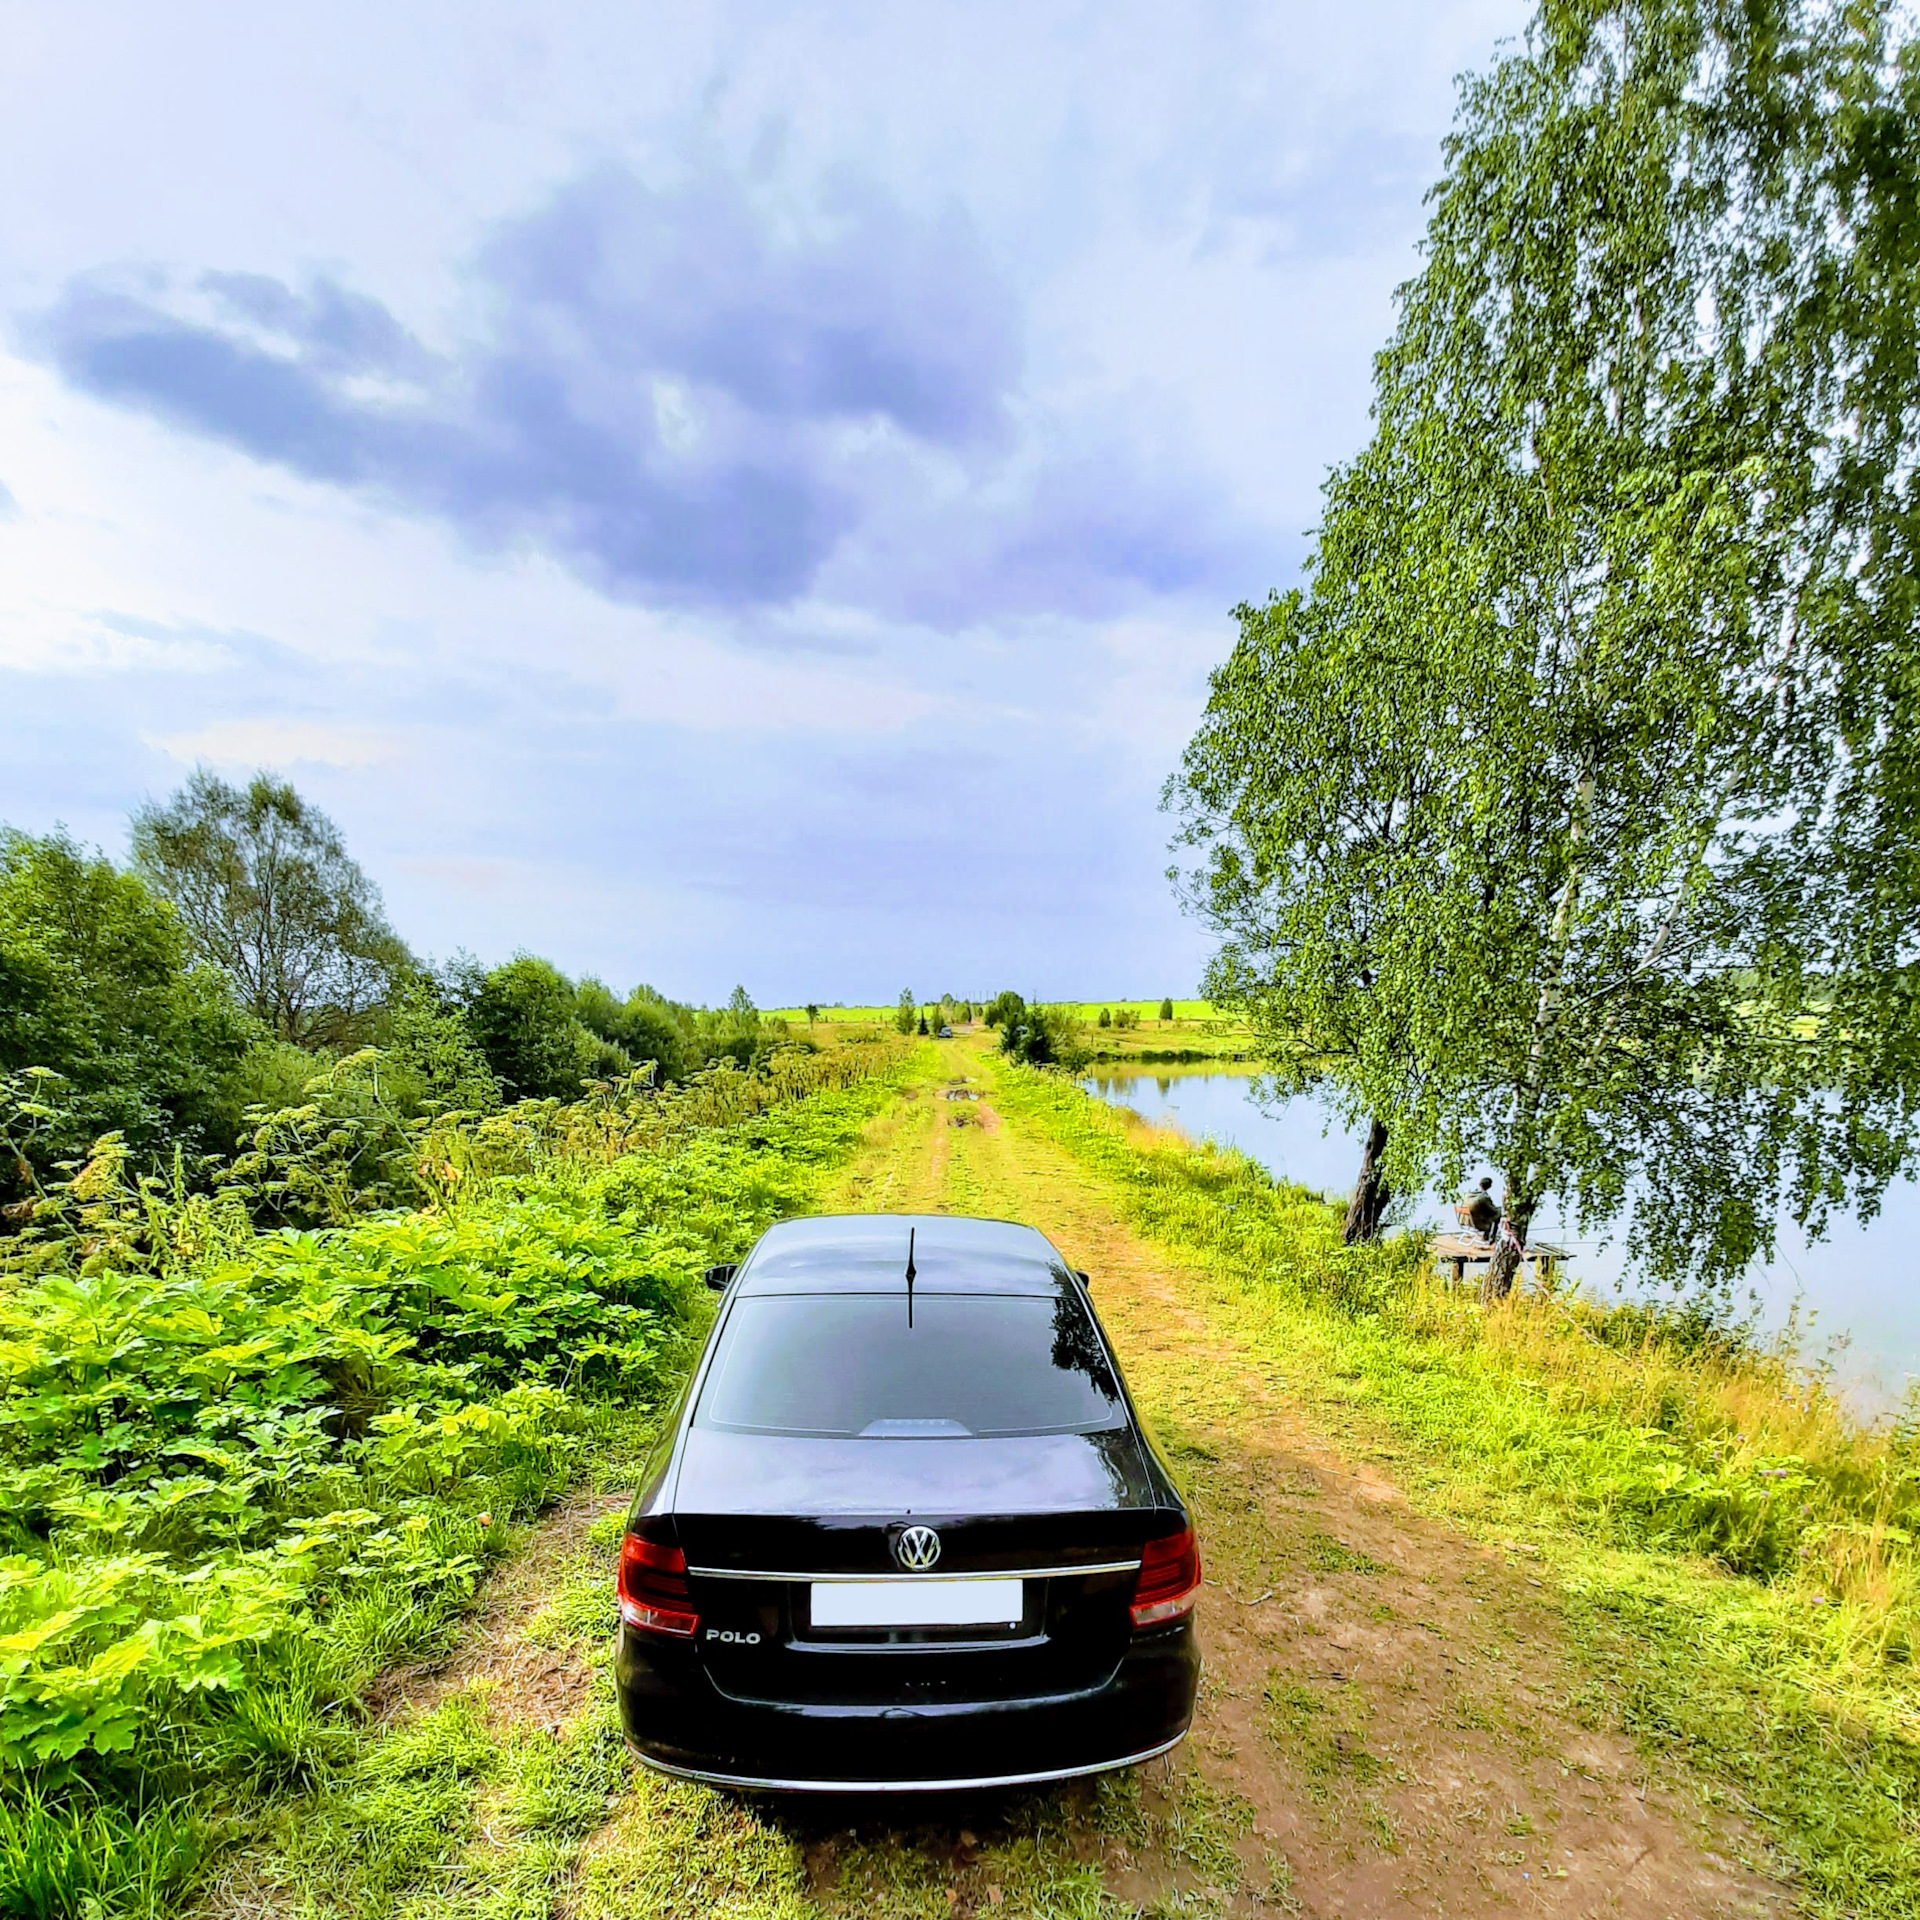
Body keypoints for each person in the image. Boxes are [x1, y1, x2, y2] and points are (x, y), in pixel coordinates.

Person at [1455, 1176, 1499, 1242]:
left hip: (1465, 1221)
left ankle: (1487, 1236)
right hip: (1477, 1224)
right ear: (1489, 1186)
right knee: (1497, 1215)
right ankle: (1490, 1238)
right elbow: (1492, 1210)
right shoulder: (1483, 1197)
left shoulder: (1468, 1195)